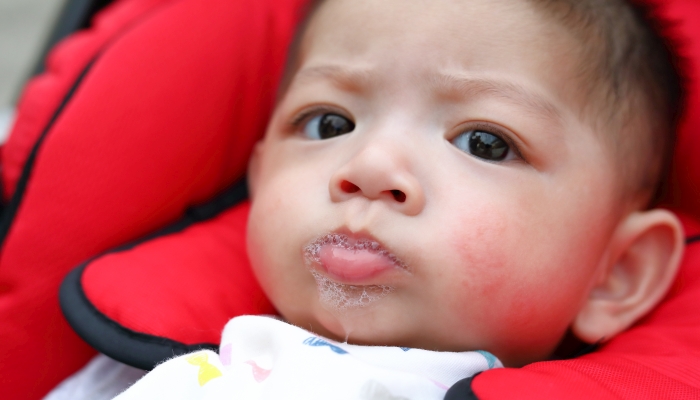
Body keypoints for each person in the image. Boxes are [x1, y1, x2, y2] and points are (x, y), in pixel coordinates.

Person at [47, 0, 687, 398]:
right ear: (261, 173)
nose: (370, 167)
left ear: (617, 271)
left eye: (485, 143)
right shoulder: (126, 376)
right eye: (329, 123)